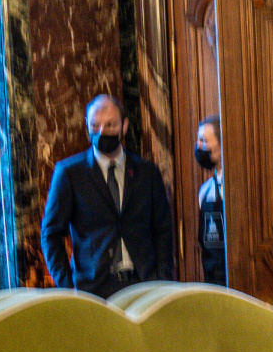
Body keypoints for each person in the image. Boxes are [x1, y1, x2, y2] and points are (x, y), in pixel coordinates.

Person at [40, 94, 175, 297]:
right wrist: (67, 287)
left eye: (110, 125)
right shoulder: (70, 173)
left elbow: (162, 229)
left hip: (144, 284)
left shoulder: (147, 172)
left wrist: (163, 278)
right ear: (87, 126)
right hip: (93, 288)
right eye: (95, 126)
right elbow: (51, 233)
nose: (102, 131)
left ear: (124, 126)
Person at [195, 114, 226, 286]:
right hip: (213, 282)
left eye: (204, 140)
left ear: (221, 145)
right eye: (198, 140)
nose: (199, 146)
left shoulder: (238, 188)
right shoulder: (205, 190)